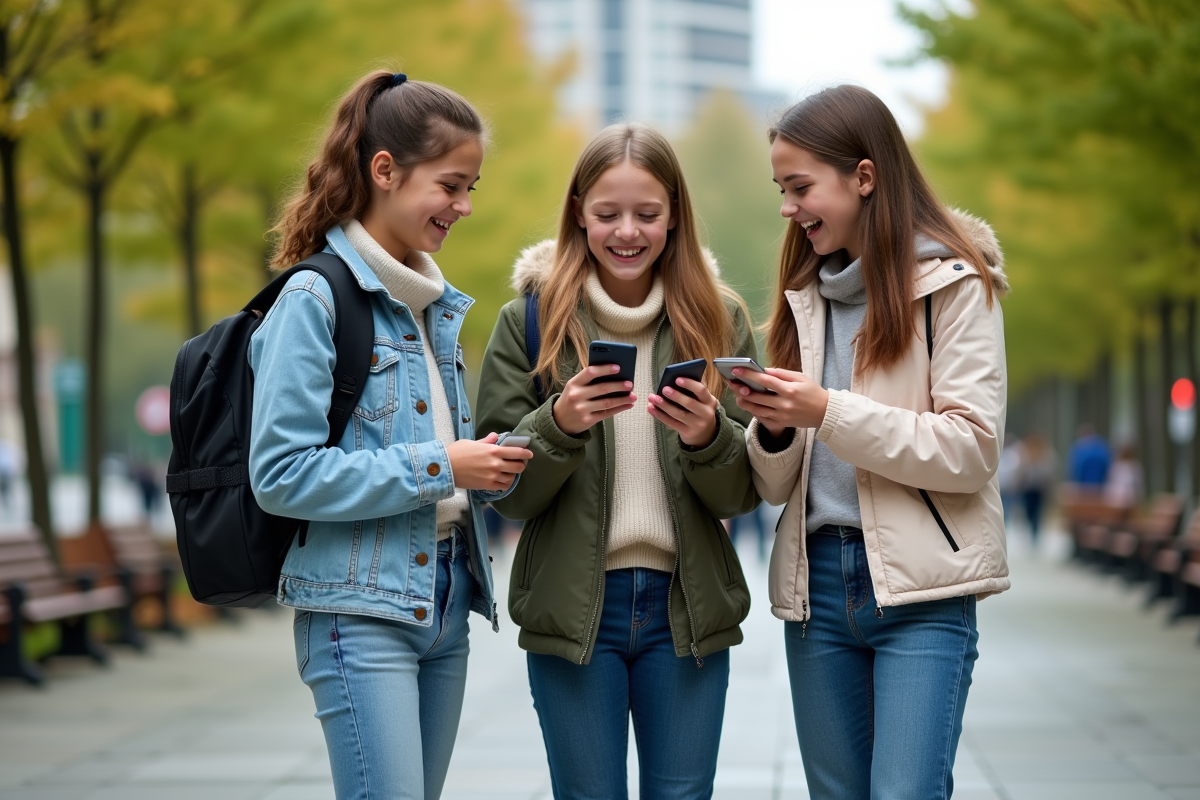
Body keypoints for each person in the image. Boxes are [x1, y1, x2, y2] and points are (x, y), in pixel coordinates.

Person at [248, 71, 533, 800]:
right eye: (451, 185)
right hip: (358, 611)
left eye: (472, 187)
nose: (465, 206)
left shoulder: (429, 307)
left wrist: (488, 465)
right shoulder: (313, 300)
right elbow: (281, 475)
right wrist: (445, 464)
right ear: (385, 170)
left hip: (444, 600)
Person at [733, 85, 1010, 800]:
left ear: (864, 176)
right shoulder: (802, 295)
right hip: (817, 588)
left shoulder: (955, 284)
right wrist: (771, 425)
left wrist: (827, 409)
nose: (789, 209)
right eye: (781, 190)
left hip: (923, 592)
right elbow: (773, 485)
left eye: (800, 188)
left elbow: (971, 450)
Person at [475, 123, 759, 799]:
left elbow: (747, 489)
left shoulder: (720, 319)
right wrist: (558, 425)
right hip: (576, 611)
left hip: (685, 609)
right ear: (578, 212)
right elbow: (502, 490)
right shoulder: (530, 324)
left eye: (647, 214)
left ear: (674, 218)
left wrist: (706, 438)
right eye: (607, 214)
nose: (626, 231)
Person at [1020, 433, 1056, 544]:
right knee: (1029, 512)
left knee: (1037, 512)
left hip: (1039, 489)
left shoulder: (1045, 455)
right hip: (1028, 489)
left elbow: (1049, 472)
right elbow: (1020, 472)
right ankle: (1031, 528)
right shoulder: (1025, 454)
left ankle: (1035, 533)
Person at [1066, 422, 1110, 488]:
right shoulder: (1102, 447)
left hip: (1083, 486)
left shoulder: (1078, 448)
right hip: (1099, 486)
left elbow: (1072, 469)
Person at [1104, 441, 1143, 510]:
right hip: (1122, 500)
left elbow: (1111, 483)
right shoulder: (1133, 466)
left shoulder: (1119, 466)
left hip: (1121, 500)